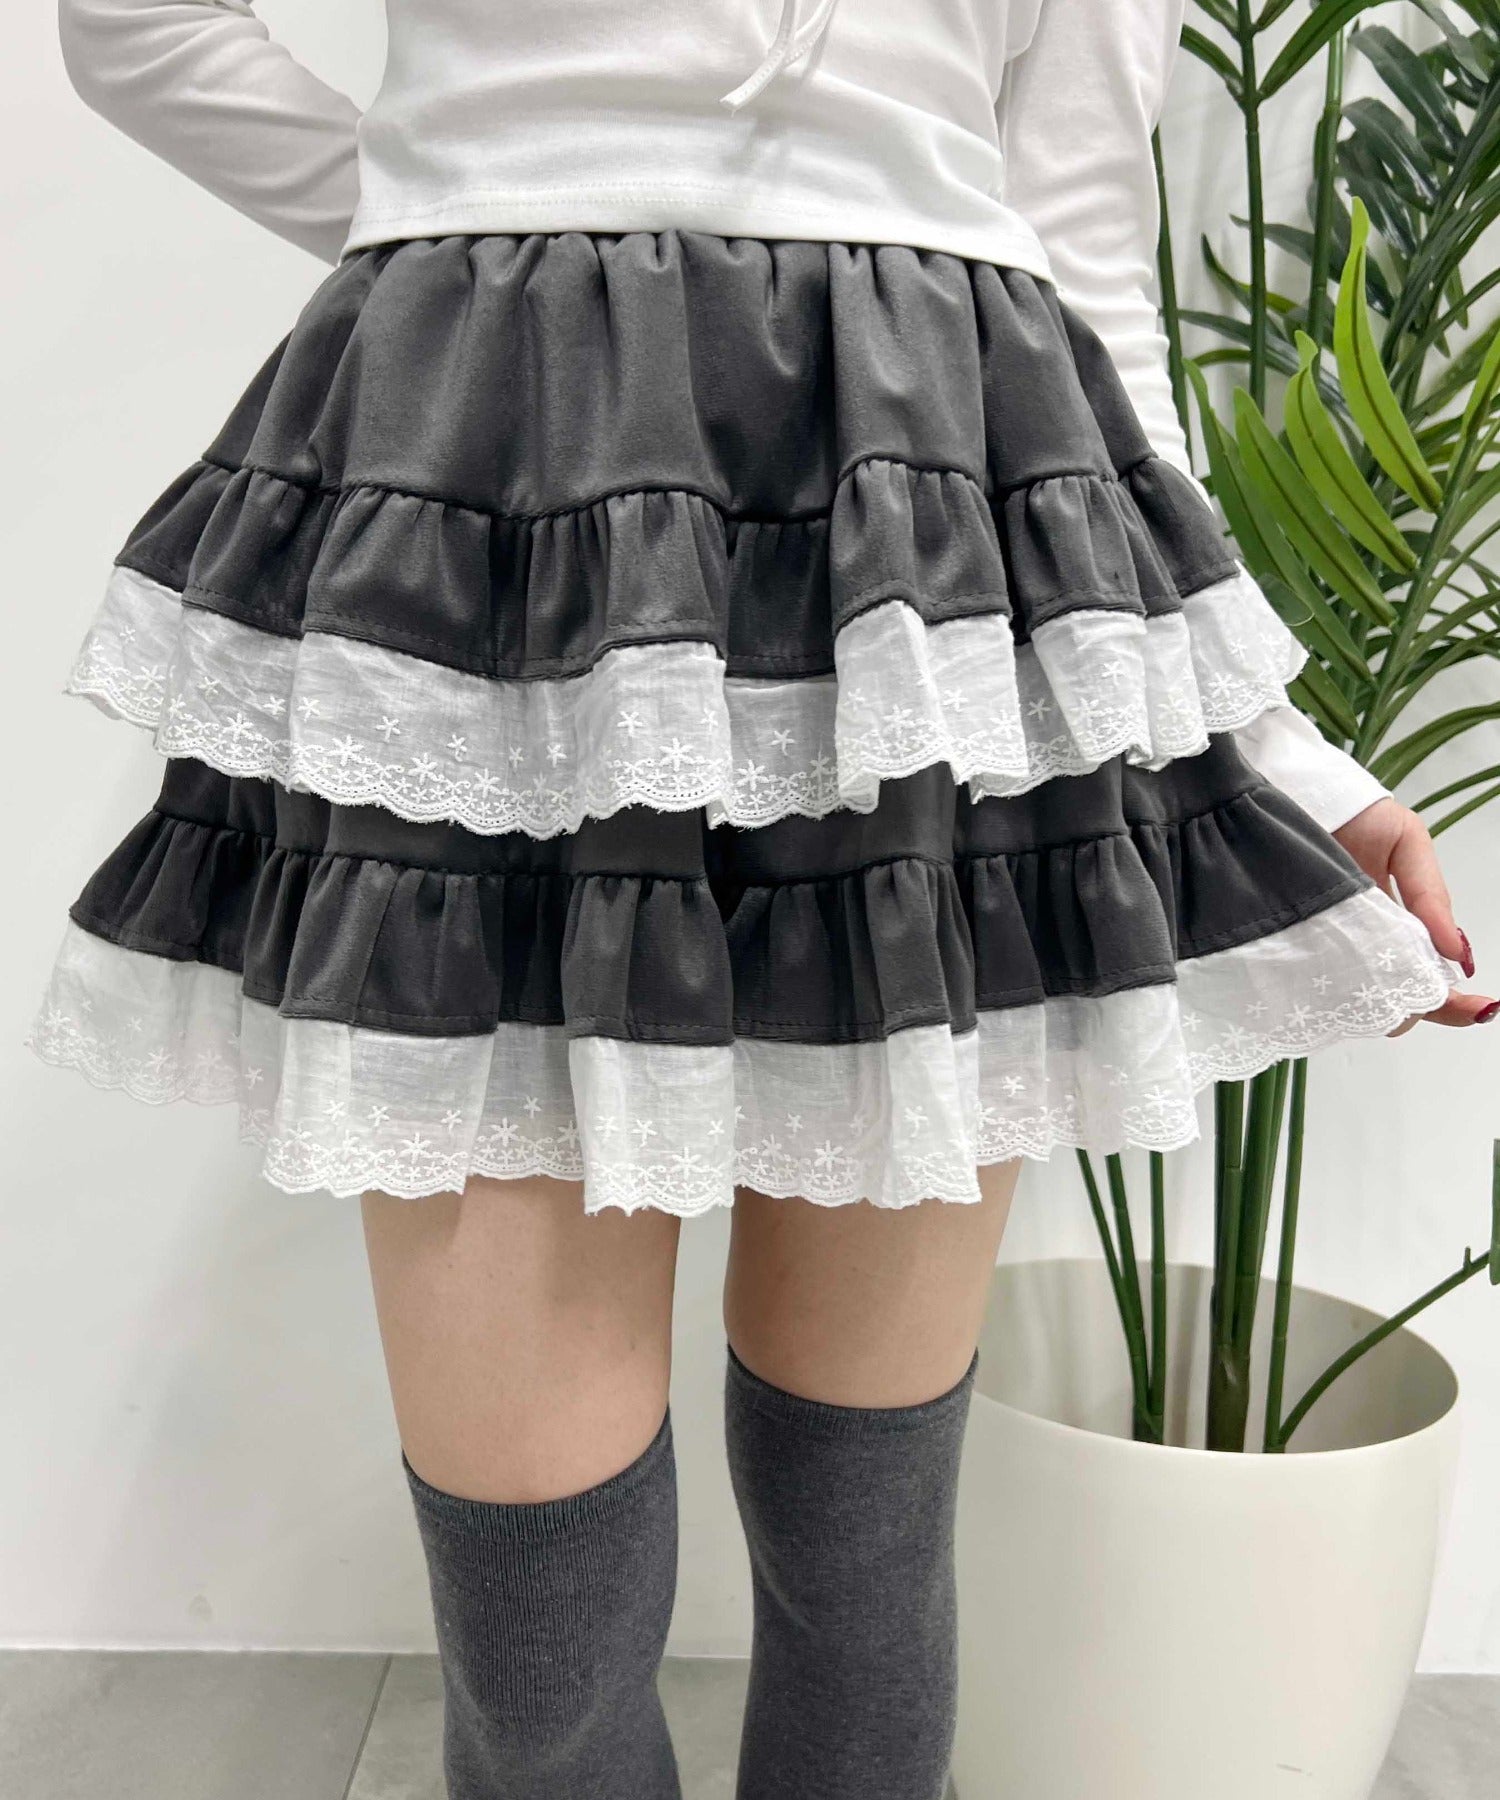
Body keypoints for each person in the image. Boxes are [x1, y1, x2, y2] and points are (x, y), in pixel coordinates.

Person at [32, 3, 1493, 1796]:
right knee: (536, 1632)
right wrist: (445, 207)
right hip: (507, 520)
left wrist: (1287, 757)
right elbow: (136, 23)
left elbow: (1087, 268)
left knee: (862, 1547)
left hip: (918, 571)